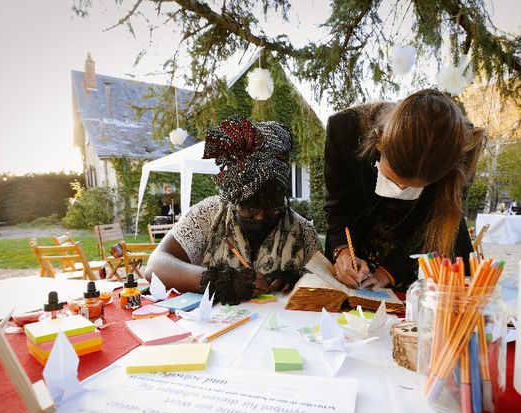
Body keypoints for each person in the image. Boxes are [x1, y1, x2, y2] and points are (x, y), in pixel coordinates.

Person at [146, 115, 321, 305]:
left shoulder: (303, 232)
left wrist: (298, 279)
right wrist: (219, 281)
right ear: (234, 198)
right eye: (250, 208)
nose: (260, 216)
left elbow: (326, 283)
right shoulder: (208, 215)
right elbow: (156, 266)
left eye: (272, 208)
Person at [324, 89, 486, 292]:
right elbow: (339, 206)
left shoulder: (460, 151)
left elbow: (438, 224)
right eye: (392, 179)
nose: (399, 190)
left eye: (413, 187)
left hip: (424, 251)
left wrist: (388, 273)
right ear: (378, 142)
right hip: (361, 239)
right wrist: (343, 252)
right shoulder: (345, 131)